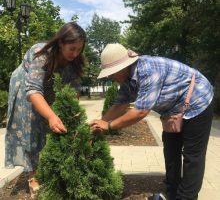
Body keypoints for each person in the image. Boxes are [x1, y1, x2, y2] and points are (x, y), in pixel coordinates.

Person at [90, 43, 214, 200]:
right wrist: (100, 122)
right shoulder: (127, 80)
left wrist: (108, 126)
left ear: (122, 67)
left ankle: (186, 197)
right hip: (174, 110)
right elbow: (119, 105)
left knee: (192, 156)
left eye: (111, 74)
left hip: (198, 100)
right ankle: (171, 191)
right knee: (170, 150)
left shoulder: (148, 69)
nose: (110, 77)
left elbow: (140, 111)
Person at [5, 22, 87, 197]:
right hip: (26, 89)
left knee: (54, 124)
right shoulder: (41, 53)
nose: (75, 53)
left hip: (50, 88)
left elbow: (74, 90)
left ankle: (47, 164)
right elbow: (34, 90)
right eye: (72, 48)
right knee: (32, 127)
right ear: (60, 43)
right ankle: (32, 175)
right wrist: (51, 115)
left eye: (79, 49)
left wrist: (71, 112)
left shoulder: (75, 61)